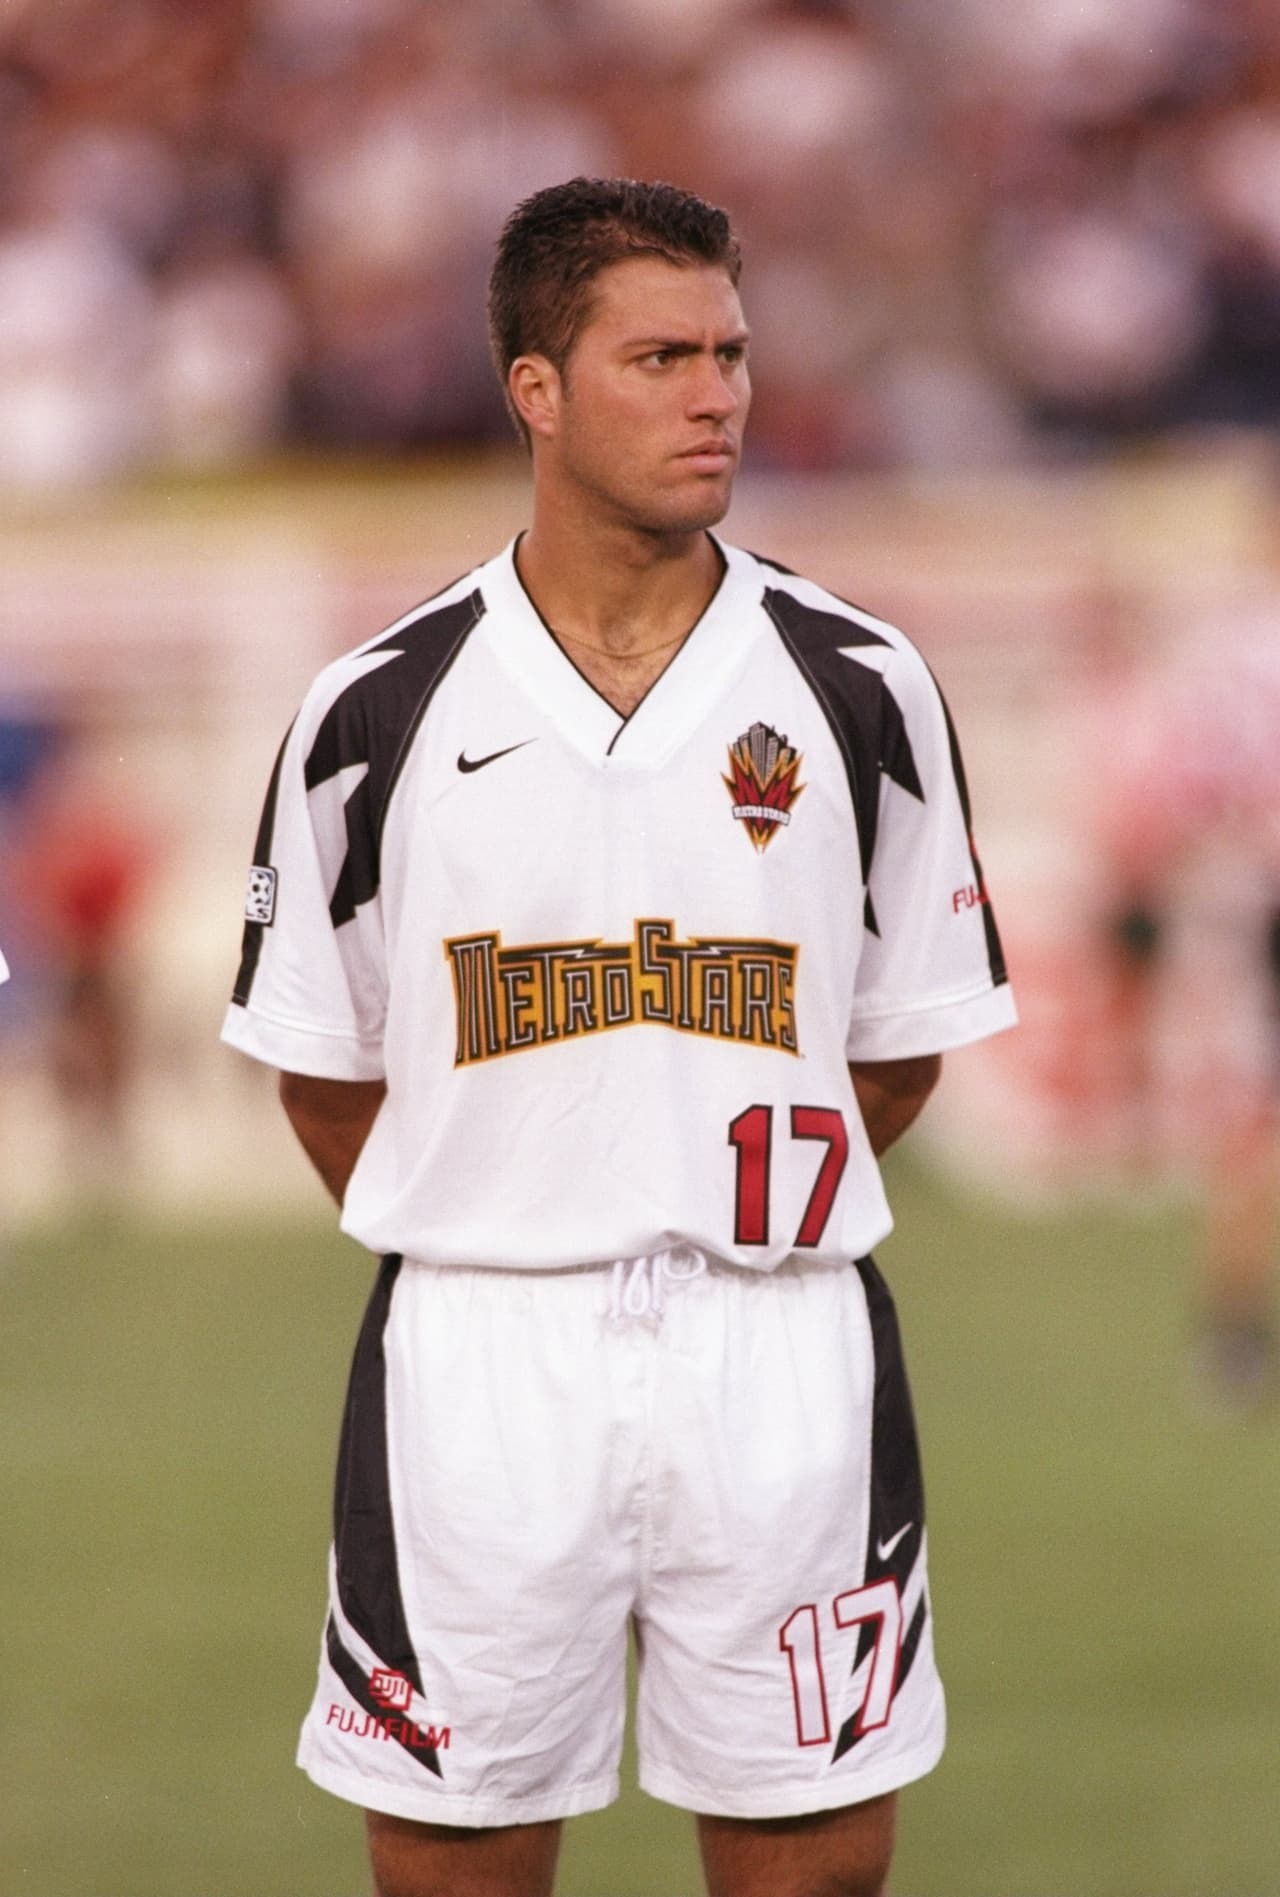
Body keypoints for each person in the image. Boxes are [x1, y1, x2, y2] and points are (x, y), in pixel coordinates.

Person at [222, 178, 1017, 1897]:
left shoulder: (862, 683)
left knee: (815, 1865)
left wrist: (705, 1185)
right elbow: (322, 1067)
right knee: (459, 1867)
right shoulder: (376, 708)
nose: (718, 392)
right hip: (484, 1354)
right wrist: (526, 1199)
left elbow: (899, 1051)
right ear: (537, 389)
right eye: (659, 355)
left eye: (730, 351)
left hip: (784, 1342)